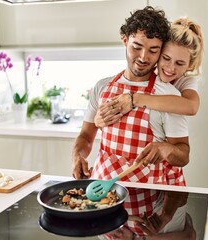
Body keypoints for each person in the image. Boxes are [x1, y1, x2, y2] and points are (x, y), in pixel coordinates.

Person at [72, 6, 190, 238]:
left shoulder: (166, 97)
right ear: (125, 40)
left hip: (147, 202)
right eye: (137, 47)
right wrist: (78, 155)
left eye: (154, 50)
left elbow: (183, 154)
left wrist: (165, 148)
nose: (144, 57)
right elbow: (86, 136)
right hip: (103, 197)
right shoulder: (102, 87)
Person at [94, 16, 204, 128]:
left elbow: (192, 107)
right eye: (166, 58)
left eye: (180, 64)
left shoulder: (186, 81)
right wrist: (98, 121)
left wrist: (133, 99)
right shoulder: (147, 72)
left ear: (190, 65)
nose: (170, 68)